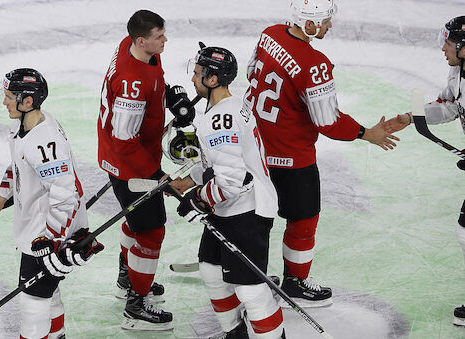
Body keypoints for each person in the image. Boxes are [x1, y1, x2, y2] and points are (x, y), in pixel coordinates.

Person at [242, 0, 399, 308]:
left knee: (257, 217)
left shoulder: (269, 34)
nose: (329, 25)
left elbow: (251, 75)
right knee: (303, 221)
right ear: (309, 24)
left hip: (254, 147)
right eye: (325, 21)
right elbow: (328, 121)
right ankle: (295, 284)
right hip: (291, 156)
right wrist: (367, 133)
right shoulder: (314, 63)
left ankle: (248, 274)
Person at [170, 44, 285, 338]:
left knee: (251, 292)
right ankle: (234, 334)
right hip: (230, 207)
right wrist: (192, 180)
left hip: (246, 211)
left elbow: (232, 181)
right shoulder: (223, 108)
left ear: (212, 80)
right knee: (210, 269)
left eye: (197, 74)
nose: (192, 79)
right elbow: (221, 163)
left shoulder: (220, 119)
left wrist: (197, 199)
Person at [0, 68, 104, 339]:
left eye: (10, 96)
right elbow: (15, 167)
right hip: (38, 228)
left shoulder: (45, 141)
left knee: (33, 304)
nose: (4, 102)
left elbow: (65, 195)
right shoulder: (23, 125)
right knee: (49, 294)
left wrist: (51, 240)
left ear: (28, 102)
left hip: (45, 233)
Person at [96, 9, 195, 331]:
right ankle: (136, 305)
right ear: (142, 40)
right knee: (152, 231)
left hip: (133, 157)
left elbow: (151, 85)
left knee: (137, 223)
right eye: (159, 36)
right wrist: (158, 177)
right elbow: (124, 140)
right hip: (130, 165)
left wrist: (169, 96)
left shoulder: (136, 48)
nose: (165, 40)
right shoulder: (131, 83)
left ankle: (129, 278)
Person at [386, 16, 465, 326]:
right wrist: (412, 115)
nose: (442, 48)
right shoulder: (458, 71)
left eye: (447, 42)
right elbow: (450, 105)